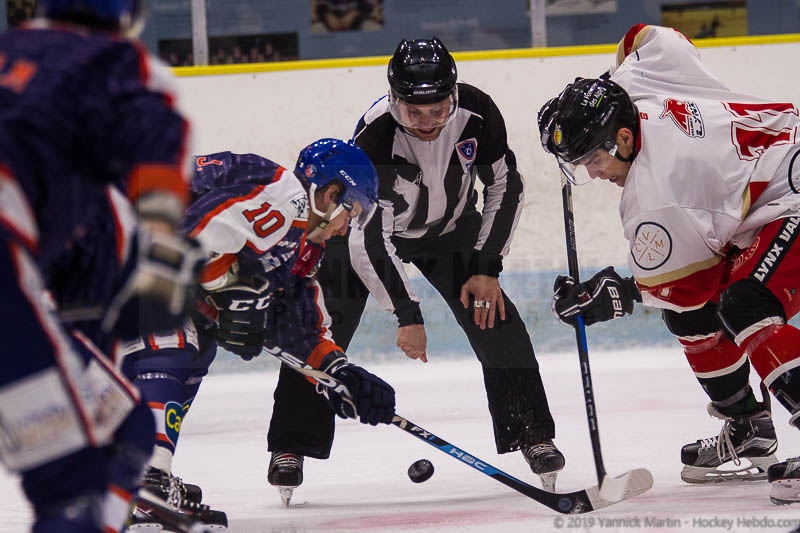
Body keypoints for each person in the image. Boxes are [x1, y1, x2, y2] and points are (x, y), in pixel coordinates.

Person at [266, 36, 566, 497]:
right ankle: (291, 445)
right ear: (394, 100)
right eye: (413, 113)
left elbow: (505, 185)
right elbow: (370, 236)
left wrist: (487, 268)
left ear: (454, 96)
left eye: (438, 110)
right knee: (321, 326)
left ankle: (533, 434)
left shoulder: (478, 113)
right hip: (365, 232)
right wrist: (407, 315)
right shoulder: (374, 136)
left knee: (497, 321)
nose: (427, 122)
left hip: (450, 232)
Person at [539, 24, 800, 503]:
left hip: (790, 196)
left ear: (622, 138)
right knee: (692, 317)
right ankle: (749, 429)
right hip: (772, 187)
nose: (593, 173)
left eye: (593, 159)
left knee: (747, 305)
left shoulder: (658, 193)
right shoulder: (639, 84)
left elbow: (690, 286)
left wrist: (614, 295)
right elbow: (648, 37)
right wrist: (599, 92)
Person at [0, 0, 203, 531]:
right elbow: (159, 148)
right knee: (78, 479)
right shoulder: (113, 61)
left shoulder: (8, 50)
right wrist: (162, 251)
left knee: (124, 426)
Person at [119, 140, 397, 526]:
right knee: (170, 338)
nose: (345, 227)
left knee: (195, 350)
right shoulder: (283, 198)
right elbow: (184, 238)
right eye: (350, 213)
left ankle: (131, 476)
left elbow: (295, 320)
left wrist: (338, 373)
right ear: (332, 194)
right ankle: (148, 482)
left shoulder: (301, 246)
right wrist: (230, 290)